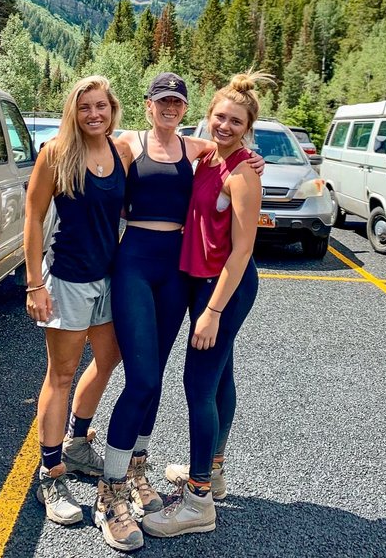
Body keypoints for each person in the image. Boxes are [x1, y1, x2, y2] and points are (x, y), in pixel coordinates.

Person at [94, 72, 263, 552]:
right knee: (148, 379)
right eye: (162, 100)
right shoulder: (135, 145)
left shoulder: (207, 155)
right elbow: (86, 158)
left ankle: (165, 478)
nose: (170, 107)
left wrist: (251, 160)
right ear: (147, 105)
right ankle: (114, 489)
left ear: (187, 109)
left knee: (193, 381)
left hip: (188, 278)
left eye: (177, 101)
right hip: (141, 268)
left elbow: (241, 209)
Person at [142, 72, 265, 538]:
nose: (226, 125)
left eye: (236, 121)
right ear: (207, 117)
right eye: (219, 117)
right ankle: (212, 472)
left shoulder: (243, 175)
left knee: (198, 385)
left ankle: (197, 501)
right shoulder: (208, 156)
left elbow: (241, 251)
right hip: (199, 282)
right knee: (219, 377)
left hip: (224, 289)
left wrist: (213, 311)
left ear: (248, 125)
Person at [23, 75, 138, 540]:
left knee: (109, 360)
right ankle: (50, 475)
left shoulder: (122, 152)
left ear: (113, 109)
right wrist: (35, 284)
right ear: (74, 111)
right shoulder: (55, 153)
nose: (94, 114)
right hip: (67, 278)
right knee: (62, 374)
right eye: (85, 107)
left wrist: (238, 154)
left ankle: (76, 442)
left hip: (109, 278)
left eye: (101, 106)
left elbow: (183, 148)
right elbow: (32, 215)